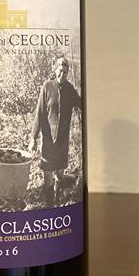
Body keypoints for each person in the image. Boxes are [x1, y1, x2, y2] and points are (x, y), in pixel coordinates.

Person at [29, 57, 81, 206]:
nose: (62, 75)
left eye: (65, 72)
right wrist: (33, 138)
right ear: (55, 69)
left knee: (60, 174)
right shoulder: (47, 86)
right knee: (47, 177)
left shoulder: (70, 90)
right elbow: (39, 114)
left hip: (62, 141)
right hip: (48, 140)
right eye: (60, 71)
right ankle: (50, 205)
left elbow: (81, 104)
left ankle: (57, 201)